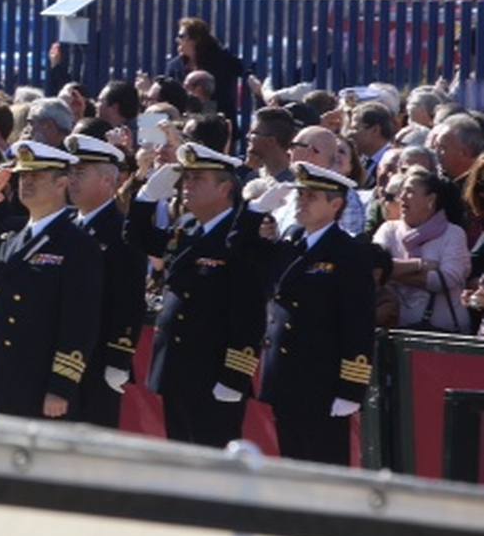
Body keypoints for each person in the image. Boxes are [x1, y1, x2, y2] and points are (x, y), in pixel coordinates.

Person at [0, 141, 103, 419]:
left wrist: (61, 387)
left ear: (61, 183)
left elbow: (80, 322)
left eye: (36, 176)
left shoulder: (78, 244)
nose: (26, 183)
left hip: (37, 383)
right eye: (23, 175)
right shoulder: (8, 234)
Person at [124, 142, 266, 448]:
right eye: (186, 178)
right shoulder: (187, 226)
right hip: (177, 369)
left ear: (225, 187)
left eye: (197, 178)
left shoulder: (240, 235)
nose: (186, 185)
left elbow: (249, 313)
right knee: (184, 461)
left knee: (215, 464)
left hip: (213, 373)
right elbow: (138, 239)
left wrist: (234, 377)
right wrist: (146, 198)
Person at [233, 163, 375, 465]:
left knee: (324, 467)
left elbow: (358, 322)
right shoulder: (292, 240)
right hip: (286, 378)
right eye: (300, 195)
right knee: (292, 464)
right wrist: (257, 209)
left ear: (335, 204)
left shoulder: (348, 252)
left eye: (312, 196)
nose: (301, 201)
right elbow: (239, 246)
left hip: (322, 381)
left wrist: (351, 388)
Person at [65, 133, 147, 428]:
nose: (71, 180)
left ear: (108, 182)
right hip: (62, 354)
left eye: (81, 173)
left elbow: (129, 299)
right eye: (70, 172)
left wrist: (119, 357)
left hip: (98, 357)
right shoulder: (66, 225)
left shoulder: (122, 233)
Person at [373, 166, 472, 333]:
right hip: (395, 331)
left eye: (410, 192)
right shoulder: (388, 230)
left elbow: (446, 279)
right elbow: (374, 269)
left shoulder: (453, 234)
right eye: (401, 192)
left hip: (442, 335)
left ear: (431, 200)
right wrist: (420, 265)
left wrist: (391, 273)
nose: (402, 197)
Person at [166, 18, 245, 123]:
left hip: (216, 121)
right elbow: (168, 94)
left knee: (206, 122)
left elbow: (242, 70)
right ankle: (147, 139)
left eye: (181, 36)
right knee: (152, 113)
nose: (177, 40)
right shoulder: (175, 66)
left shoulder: (220, 60)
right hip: (182, 121)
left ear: (196, 39)